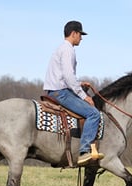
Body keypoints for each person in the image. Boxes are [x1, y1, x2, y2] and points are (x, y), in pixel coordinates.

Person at [44, 20, 104, 166]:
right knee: (93, 114)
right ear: (74, 33)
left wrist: (79, 84)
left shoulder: (60, 48)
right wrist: (84, 96)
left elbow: (65, 76)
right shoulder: (68, 50)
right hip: (61, 93)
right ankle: (84, 152)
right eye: (80, 35)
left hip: (55, 90)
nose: (81, 38)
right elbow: (68, 76)